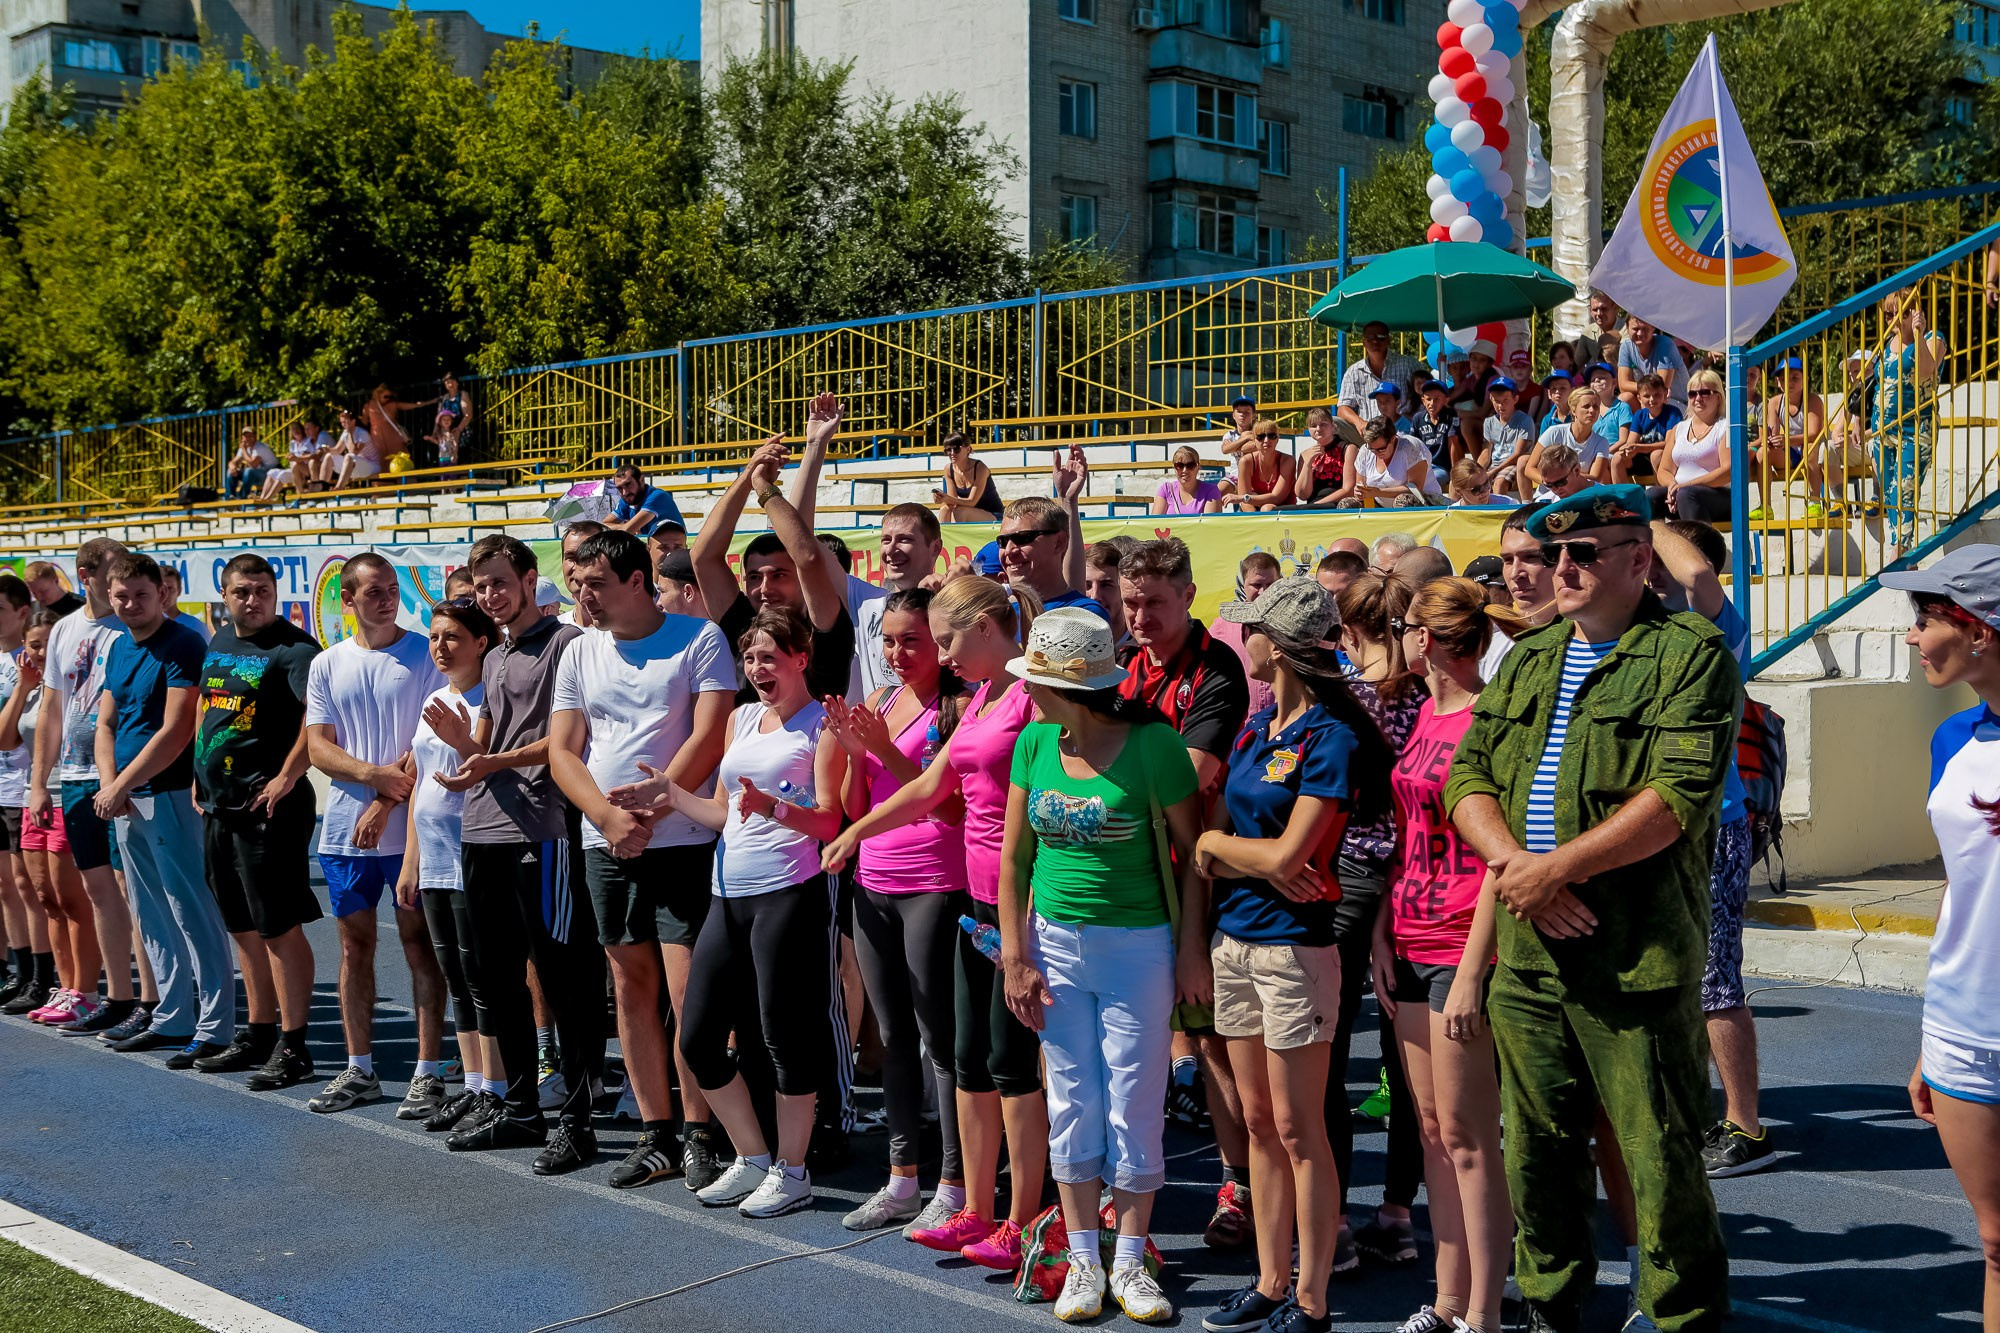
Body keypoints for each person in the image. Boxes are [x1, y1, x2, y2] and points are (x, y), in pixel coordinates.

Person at [1444, 484, 1737, 1333]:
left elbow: (1675, 794)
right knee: (1535, 1155)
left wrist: (1553, 870)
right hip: (1529, 955)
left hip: (1633, 954)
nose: (1558, 569)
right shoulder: (1531, 656)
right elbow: (1469, 777)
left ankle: (1680, 1316)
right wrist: (1520, 870)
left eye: (1583, 554)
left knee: (1660, 1157)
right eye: (1549, 555)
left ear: (1639, 559)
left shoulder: (1688, 653)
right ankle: (1551, 1306)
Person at [821, 575, 1051, 1265]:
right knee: (974, 1059)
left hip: (1018, 901)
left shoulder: (1034, 695)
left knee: (1013, 1064)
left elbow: (1029, 803)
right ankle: (975, 1208)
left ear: (986, 625)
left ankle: (1022, 1214)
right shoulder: (984, 694)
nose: (941, 654)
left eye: (944, 638)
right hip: (979, 902)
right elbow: (930, 785)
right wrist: (856, 831)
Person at [1194, 575, 1392, 1333]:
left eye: (1253, 629)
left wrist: (1218, 847)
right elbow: (1265, 853)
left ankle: (1311, 1299)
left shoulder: (1331, 737)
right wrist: (1245, 853)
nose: (1243, 637)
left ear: (1277, 644)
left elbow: (1285, 855)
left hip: (1294, 949)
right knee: (1260, 1122)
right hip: (1237, 940)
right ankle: (1271, 1282)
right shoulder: (1257, 725)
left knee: (1302, 1128)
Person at [997, 607, 1204, 1324]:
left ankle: (1130, 1259)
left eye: (1034, 680)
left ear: (1064, 687)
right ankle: (1085, 1256)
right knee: (1073, 1102)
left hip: (1138, 944)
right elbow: (1015, 859)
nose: (1023, 689)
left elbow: (1196, 860)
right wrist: (1015, 954)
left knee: (1134, 1103)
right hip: (1053, 942)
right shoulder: (1033, 742)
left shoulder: (1155, 747)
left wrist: (1189, 952)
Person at [611, 605, 846, 1219]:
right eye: (750, 658)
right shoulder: (742, 719)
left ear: (801, 658)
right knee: (698, 1038)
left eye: (770, 656)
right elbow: (721, 812)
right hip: (727, 895)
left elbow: (830, 821)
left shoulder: (823, 725)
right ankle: (754, 1158)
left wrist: (776, 809)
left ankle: (793, 1171)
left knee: (785, 1039)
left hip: (789, 894)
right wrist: (671, 795)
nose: (758, 668)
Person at [549, 530, 736, 1190]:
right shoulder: (577, 652)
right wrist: (606, 817)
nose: (583, 594)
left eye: (595, 583)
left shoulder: (698, 639)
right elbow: (564, 751)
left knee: (689, 995)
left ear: (635, 580)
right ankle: (657, 1132)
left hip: (682, 842)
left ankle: (700, 1131)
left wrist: (654, 810)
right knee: (630, 988)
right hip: (607, 844)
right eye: (577, 582)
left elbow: (711, 733)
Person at [1376, 577, 1516, 1333]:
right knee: (1431, 1129)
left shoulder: (1487, 719)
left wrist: (1469, 973)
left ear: (1425, 639)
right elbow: (1406, 831)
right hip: (1409, 936)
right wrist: (1379, 932)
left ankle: (1486, 1312)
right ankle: (1447, 1295)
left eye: (1402, 626)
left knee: (1468, 1138)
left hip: (1463, 946)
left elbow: (1502, 857)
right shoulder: (1429, 710)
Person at [442, 535, 607, 1171]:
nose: (490, 596)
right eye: (481, 588)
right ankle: (519, 1109)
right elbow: (488, 735)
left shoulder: (566, 644)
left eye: (500, 584)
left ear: (530, 581)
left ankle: (578, 1119)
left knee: (565, 979)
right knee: (496, 976)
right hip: (482, 827)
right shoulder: (496, 653)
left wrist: (494, 757)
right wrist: (465, 751)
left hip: (543, 830)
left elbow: (563, 742)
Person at [1113, 539, 1254, 1254]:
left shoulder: (1216, 669)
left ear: (1189, 596)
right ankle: (1135, 1184)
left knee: (1217, 1044)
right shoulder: (1127, 662)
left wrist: (1106, 793)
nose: (1140, 616)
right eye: (1131, 602)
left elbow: (1191, 776)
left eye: (1154, 604)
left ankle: (1243, 1186)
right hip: (1136, 881)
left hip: (1197, 885)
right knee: (1153, 1041)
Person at [823, 587, 974, 1230]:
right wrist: (858, 756)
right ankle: (902, 1175)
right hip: (873, 885)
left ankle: (954, 1181)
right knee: (893, 1037)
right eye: (887, 640)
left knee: (942, 1039)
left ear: (940, 644)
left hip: (936, 886)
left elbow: (951, 807)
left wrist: (883, 750)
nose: (896, 651)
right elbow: (858, 808)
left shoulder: (959, 707)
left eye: (910, 639)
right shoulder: (882, 701)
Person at [1883, 545, 2000, 1333]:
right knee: (1996, 1242)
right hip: (1965, 1025)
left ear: (1980, 630)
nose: (1913, 637)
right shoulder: (1951, 738)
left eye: (1924, 619)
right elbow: (1962, 883)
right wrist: (1932, 1031)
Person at [303, 553, 450, 1115]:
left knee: (419, 947)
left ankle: (428, 1071)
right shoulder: (327, 664)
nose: (387, 599)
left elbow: (427, 744)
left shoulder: (424, 654)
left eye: (392, 588)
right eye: (374, 592)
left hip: (410, 832)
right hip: (345, 832)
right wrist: (372, 777)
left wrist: (386, 803)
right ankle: (358, 1068)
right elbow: (318, 746)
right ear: (348, 600)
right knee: (353, 947)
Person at [92, 552, 236, 1068]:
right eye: (122, 596)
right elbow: (106, 723)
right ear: (110, 597)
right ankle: (172, 1017)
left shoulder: (183, 644)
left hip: (170, 794)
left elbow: (176, 731)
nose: (131, 604)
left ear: (162, 594)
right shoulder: (117, 647)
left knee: (190, 909)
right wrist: (112, 785)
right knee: (149, 913)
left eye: (141, 595)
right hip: (127, 799)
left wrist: (121, 784)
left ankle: (216, 1025)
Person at [192, 555, 323, 1088]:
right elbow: (211, 710)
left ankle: (294, 1046)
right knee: (241, 926)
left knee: (277, 927)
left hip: (268, 809)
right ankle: (259, 1030)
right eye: (242, 591)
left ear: (275, 591)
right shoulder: (220, 641)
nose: (253, 599)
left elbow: (317, 724)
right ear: (225, 595)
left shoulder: (296, 651)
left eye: (262, 590)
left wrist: (287, 777)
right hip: (219, 805)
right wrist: (199, 775)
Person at [1330, 569, 1428, 1271]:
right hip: (1414, 877)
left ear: (1346, 630)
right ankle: (1397, 1212)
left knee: (1326, 1057)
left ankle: (1332, 1217)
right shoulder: (1427, 698)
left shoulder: (1345, 700)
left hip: (1350, 875)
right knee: (1407, 1063)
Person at [394, 596, 496, 1132]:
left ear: (482, 642)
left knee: (483, 977)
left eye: (452, 636)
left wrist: (464, 739)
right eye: (434, 637)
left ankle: (496, 1086)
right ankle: (473, 1083)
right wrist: (411, 862)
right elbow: (419, 790)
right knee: (455, 977)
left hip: (474, 856)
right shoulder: (434, 697)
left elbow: (488, 767)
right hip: (432, 861)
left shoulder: (490, 699)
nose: (439, 646)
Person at [27, 538, 134, 1037]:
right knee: (94, 892)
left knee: (129, 887)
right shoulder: (65, 629)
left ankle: (146, 998)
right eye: (113, 575)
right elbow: (51, 710)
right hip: (72, 777)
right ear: (86, 574)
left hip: (124, 777)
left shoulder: (135, 627)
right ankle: (103, 995)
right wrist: (39, 783)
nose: (121, 587)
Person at [3, 610, 72, 1018]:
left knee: (71, 900)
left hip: (68, 797)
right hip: (33, 798)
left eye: (48, 643)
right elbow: (5, 739)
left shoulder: (72, 689)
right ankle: (48, 981)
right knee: (43, 895)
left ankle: (80, 986)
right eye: (34, 645)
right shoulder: (31, 690)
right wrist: (24, 687)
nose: (42, 652)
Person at [1871, 286, 1947, 553]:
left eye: (1898, 314)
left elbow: (1927, 371)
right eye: (1887, 314)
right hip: (1882, 429)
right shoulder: (1884, 344)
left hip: (1916, 427)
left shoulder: (1932, 339)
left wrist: (1916, 333)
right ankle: (1899, 545)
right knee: (1890, 491)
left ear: (1913, 312)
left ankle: (1900, 549)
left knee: (1905, 487)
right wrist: (1857, 422)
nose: (1892, 320)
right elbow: (1875, 384)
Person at [0, 578, 45, 1012]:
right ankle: (14, 969)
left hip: (20, 786)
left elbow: (9, 738)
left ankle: (37, 974)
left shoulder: (27, 660)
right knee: (4, 886)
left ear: (20, 612)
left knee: (27, 885)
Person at [1645, 368, 1733, 523]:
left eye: (1704, 393)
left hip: (1718, 496)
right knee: (1651, 495)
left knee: (1687, 495)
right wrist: (1673, 487)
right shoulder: (1678, 429)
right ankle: (1654, 546)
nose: (1698, 398)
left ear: (1718, 397)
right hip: (1682, 493)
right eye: (1692, 394)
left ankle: (1700, 546)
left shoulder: (1726, 427)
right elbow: (1664, 470)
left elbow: (1727, 471)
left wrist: (1686, 486)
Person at [1753, 357, 1826, 518]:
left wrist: (1785, 440)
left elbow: (1814, 434)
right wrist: (1773, 441)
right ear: (1778, 382)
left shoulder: (1813, 400)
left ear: (1805, 379)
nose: (1789, 382)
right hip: (1792, 453)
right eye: (1783, 378)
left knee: (1810, 447)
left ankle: (1814, 502)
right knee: (1763, 452)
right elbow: (1773, 433)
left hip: (1813, 452)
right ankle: (1765, 506)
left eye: (1794, 377)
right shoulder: (1774, 402)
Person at [1209, 552, 1280, 718]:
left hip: (1282, 726)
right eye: (1256, 585)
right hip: (1238, 728)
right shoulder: (1222, 628)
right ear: (1243, 585)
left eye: (1270, 584)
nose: (1263, 592)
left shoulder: (1294, 625)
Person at [1340, 322, 1424, 437]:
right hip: (1369, 436)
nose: (1375, 341)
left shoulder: (1409, 365)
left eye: (1380, 337)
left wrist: (1410, 422)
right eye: (1370, 338)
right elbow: (1343, 408)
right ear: (1363, 342)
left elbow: (1425, 397)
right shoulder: (1353, 372)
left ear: (1388, 340)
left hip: (1405, 433)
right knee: (1333, 423)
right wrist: (1360, 423)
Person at [1526, 388, 1609, 494]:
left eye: (1596, 407)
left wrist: (1560, 478)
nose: (1592, 410)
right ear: (1574, 410)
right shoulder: (1554, 432)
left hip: (1580, 495)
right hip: (1548, 495)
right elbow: (1529, 468)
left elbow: (1595, 477)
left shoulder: (1602, 442)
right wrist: (1552, 484)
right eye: (1586, 406)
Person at [1343, 419, 1441, 508]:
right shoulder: (1365, 451)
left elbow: (1415, 489)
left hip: (1425, 502)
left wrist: (1378, 492)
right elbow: (1361, 486)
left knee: (1404, 501)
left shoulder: (1411, 447)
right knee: (1347, 504)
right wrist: (1360, 492)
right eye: (1372, 449)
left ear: (1393, 439)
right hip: (1381, 505)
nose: (1376, 453)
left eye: (1381, 449)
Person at [1609, 374, 1683, 486]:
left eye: (1657, 394)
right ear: (1639, 398)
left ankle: (1662, 496)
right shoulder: (1640, 415)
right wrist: (1628, 449)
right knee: (1617, 458)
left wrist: (1640, 448)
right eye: (1647, 396)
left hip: (1665, 459)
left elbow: (1669, 444)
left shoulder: (1672, 413)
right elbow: (1631, 441)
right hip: (1643, 459)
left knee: (1656, 454)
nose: (1652, 399)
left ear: (1665, 393)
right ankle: (1623, 498)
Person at [1479, 379, 1536, 500]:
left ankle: (1500, 516)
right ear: (1491, 399)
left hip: (1514, 465)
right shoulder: (1489, 422)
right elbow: (1486, 453)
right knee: (1463, 481)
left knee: (1499, 483)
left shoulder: (1524, 420)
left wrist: (1492, 472)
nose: (1500, 406)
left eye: (1505, 400)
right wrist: (1476, 470)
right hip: (1494, 465)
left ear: (1515, 399)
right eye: (1496, 401)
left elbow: (1518, 453)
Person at [1618, 316, 1687, 412]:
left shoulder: (1665, 345)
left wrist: (1643, 390)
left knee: (1651, 401)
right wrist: (1645, 390)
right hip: (1648, 398)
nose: (1640, 333)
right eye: (1635, 329)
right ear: (1627, 327)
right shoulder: (1626, 347)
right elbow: (1623, 385)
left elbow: (1660, 388)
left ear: (1653, 328)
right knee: (1624, 399)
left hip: (1676, 402)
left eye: (1645, 329)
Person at [1227, 420, 1296, 512]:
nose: (1266, 440)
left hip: (1284, 508)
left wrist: (1246, 498)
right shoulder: (1246, 462)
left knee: (1266, 508)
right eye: (1260, 437)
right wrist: (1255, 520)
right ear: (1254, 440)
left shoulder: (1288, 461)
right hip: (1255, 506)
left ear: (1277, 439)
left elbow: (1277, 498)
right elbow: (1244, 502)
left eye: (1271, 436)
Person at [936, 432, 1006, 522]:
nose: (952, 453)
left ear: (968, 449)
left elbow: (972, 502)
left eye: (956, 449)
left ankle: (957, 536)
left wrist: (947, 498)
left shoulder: (980, 468)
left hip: (993, 514)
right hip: (968, 511)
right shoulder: (948, 469)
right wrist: (941, 499)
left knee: (960, 511)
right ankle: (943, 536)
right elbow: (951, 503)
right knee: (944, 510)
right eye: (948, 450)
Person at [1295, 408, 1356, 509]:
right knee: (1272, 510)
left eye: (1323, 424)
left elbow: (1348, 490)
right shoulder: (1305, 455)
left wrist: (1317, 505)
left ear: (1332, 426)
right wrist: (1308, 465)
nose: (1318, 429)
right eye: (1313, 426)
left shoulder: (1348, 449)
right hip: (1311, 506)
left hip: (1338, 505)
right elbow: (1302, 494)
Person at [609, 463, 687, 538]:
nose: (624, 492)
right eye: (619, 488)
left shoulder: (657, 497)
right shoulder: (627, 499)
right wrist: (623, 526)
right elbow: (601, 526)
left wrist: (626, 526)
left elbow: (627, 530)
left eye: (628, 484)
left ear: (641, 480)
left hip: (674, 548)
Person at [363, 384, 420, 471]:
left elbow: (412, 405)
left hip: (392, 436)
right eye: (386, 396)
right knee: (380, 459)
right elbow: (364, 422)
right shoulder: (369, 406)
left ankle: (405, 481)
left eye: (390, 396)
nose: (388, 399)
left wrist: (430, 402)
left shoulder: (392, 404)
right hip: (377, 437)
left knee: (399, 459)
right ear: (378, 394)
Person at [1408, 380, 1459, 474]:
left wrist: (1454, 473)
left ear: (1446, 400)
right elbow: (1413, 445)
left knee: (1430, 481)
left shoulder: (1451, 416)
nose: (1432, 403)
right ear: (1423, 400)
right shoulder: (1418, 418)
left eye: (1437, 399)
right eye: (1428, 399)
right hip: (1423, 465)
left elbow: (1453, 444)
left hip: (1442, 467)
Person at [1155, 445, 1223, 515]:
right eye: (1179, 466)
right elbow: (1154, 523)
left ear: (1198, 467)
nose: (1185, 470)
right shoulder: (1166, 490)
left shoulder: (1211, 491)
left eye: (1190, 465)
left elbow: (1209, 524)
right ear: (1174, 467)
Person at [321, 408, 378, 491]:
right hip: (356, 464)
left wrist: (350, 433)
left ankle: (338, 488)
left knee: (349, 456)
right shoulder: (345, 432)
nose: (343, 425)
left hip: (371, 466)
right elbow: (338, 450)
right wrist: (327, 449)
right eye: (342, 423)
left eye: (345, 422)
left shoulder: (362, 433)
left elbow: (354, 451)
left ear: (353, 421)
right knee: (329, 456)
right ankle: (322, 487)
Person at [158, 567, 209, 643]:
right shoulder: (144, 627)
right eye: (161, 588)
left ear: (179, 590)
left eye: (170, 588)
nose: (165, 594)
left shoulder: (196, 626)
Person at [227, 428, 278, 501]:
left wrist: (244, 449)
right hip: (256, 475)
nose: (247, 438)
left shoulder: (260, 447)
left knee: (249, 471)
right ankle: (230, 497)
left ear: (255, 437)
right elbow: (233, 461)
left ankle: (242, 497)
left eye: (250, 436)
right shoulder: (244, 447)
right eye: (245, 436)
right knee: (230, 472)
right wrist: (232, 467)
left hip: (270, 476)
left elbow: (253, 464)